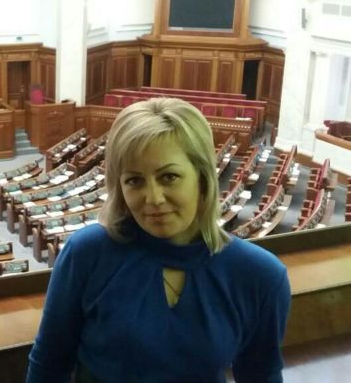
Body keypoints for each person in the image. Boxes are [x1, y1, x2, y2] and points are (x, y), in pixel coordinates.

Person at [26, 97, 291, 382]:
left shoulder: (260, 276)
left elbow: (261, 376)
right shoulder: (86, 253)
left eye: (169, 177)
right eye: (134, 180)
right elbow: (49, 364)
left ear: (202, 178)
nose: (153, 198)